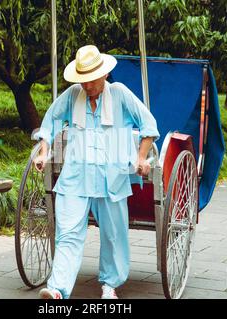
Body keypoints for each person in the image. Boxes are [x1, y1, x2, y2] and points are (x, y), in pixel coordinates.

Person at [32, 45, 159, 299]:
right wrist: (44, 150)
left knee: (114, 237)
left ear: (102, 74)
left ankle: (109, 286)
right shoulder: (72, 95)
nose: (87, 86)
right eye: (83, 80)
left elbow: (149, 125)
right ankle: (57, 290)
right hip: (75, 178)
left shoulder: (120, 94)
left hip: (111, 179)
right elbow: (51, 121)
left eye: (91, 80)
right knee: (67, 234)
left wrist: (141, 157)